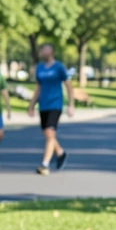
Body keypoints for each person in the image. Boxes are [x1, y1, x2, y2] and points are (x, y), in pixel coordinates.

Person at [28, 43, 74, 175]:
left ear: (51, 51)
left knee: (50, 133)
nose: (42, 52)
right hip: (43, 105)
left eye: (45, 50)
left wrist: (71, 105)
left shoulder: (59, 67)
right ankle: (60, 152)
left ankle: (45, 164)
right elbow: (38, 88)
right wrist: (31, 106)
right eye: (41, 50)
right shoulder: (39, 68)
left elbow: (68, 87)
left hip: (55, 104)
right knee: (48, 134)